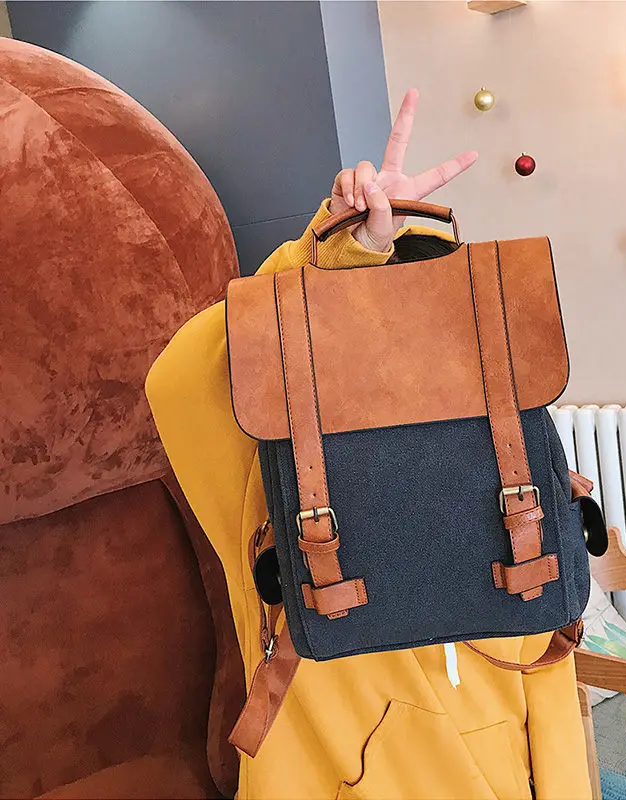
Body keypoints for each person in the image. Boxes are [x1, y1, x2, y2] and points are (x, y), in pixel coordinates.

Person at [146, 89, 591, 800]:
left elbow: (550, 674)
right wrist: (330, 255)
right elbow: (184, 378)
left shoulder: (503, 447)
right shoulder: (275, 459)